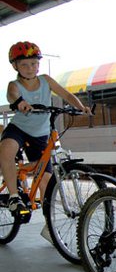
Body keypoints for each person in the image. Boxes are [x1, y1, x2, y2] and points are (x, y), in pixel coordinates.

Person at [0, 41, 91, 219]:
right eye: (24, 64)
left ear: (39, 64)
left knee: (46, 180)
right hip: (19, 128)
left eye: (33, 63)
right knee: (6, 149)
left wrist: (80, 107)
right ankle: (13, 197)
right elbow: (12, 94)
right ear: (15, 66)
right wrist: (20, 103)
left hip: (41, 133)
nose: (30, 68)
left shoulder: (46, 80)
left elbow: (65, 94)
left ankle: (49, 226)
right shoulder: (14, 85)